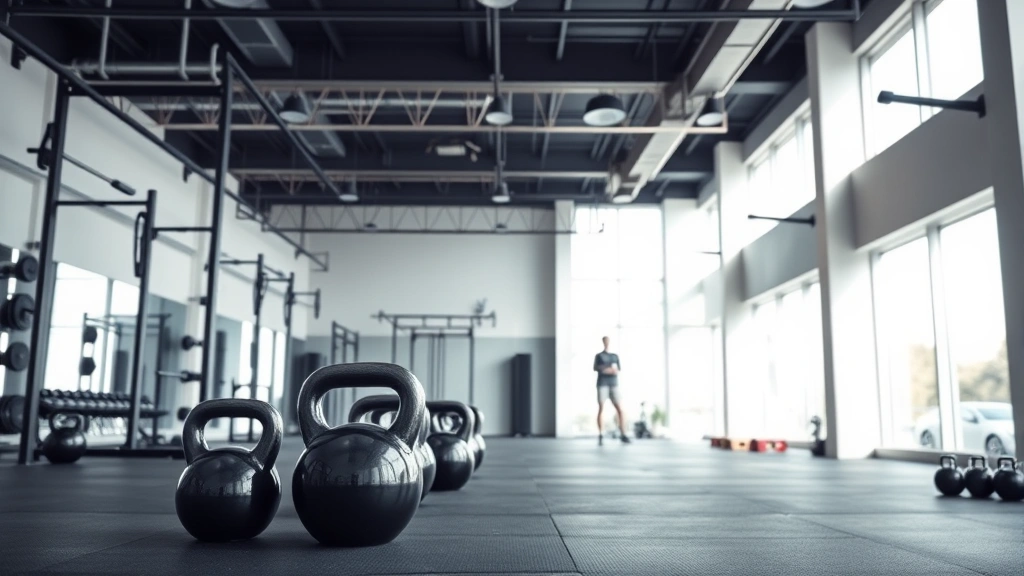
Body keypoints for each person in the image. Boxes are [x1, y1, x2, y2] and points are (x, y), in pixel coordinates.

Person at [594, 336, 630, 445]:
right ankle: (600, 434)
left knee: (620, 409)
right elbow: (596, 368)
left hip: (614, 384)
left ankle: (623, 434)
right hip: (602, 384)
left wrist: (607, 369)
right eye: (605, 341)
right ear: (602, 342)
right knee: (601, 408)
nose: (606, 342)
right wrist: (607, 370)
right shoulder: (599, 356)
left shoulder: (614, 356)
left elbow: (617, 369)